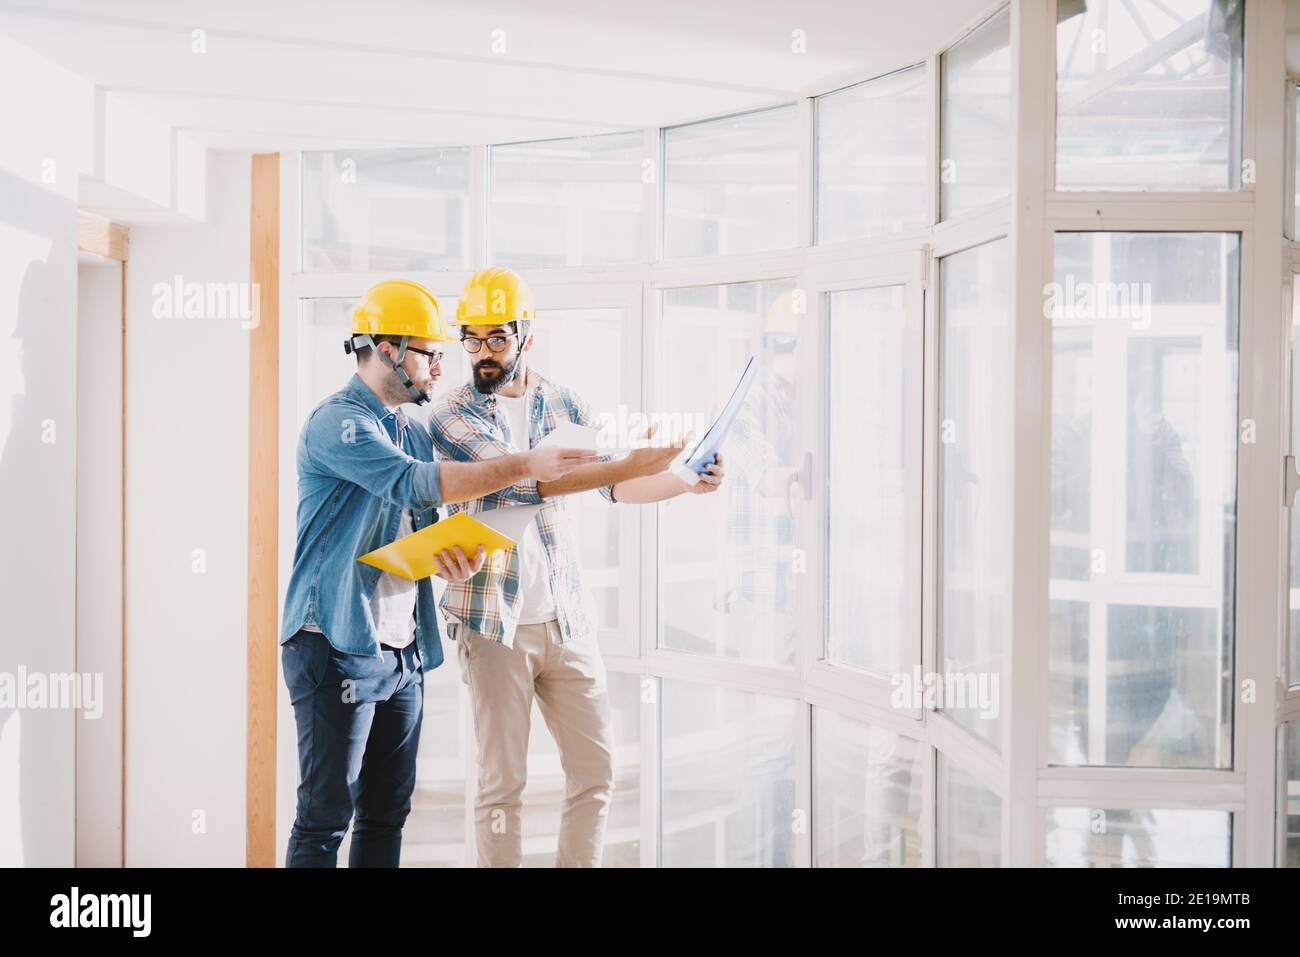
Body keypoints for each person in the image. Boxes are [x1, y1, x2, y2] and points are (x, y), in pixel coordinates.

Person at [279, 278, 597, 867]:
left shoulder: (414, 430)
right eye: (430, 351)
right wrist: (528, 462)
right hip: (333, 642)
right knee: (326, 816)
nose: (441, 365)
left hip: (400, 649)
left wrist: (451, 555)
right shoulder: (338, 423)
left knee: (386, 812)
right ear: (386, 348)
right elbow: (410, 483)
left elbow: (420, 524)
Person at [428, 266, 727, 867]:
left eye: (496, 339)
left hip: (567, 618)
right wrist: (641, 459)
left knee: (595, 775)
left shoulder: (566, 403)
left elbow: (612, 490)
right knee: (501, 789)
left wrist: (681, 479)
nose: (482, 354)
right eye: (472, 340)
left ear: (526, 337)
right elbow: (528, 479)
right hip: (495, 627)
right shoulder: (450, 415)